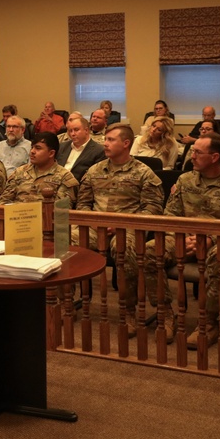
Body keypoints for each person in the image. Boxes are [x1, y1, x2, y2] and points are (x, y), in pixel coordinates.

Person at [144, 133, 220, 348]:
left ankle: (209, 323)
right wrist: (183, 239)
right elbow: (170, 215)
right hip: (183, 239)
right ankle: (165, 315)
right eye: (192, 150)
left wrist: (212, 240)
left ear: (214, 157)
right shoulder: (184, 181)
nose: (191, 156)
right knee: (150, 250)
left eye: (197, 152)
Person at [76, 123, 163, 336]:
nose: (105, 143)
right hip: (95, 228)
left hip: (127, 229)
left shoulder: (144, 173)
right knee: (62, 240)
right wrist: (92, 222)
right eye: (105, 139)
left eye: (111, 140)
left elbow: (152, 209)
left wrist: (122, 225)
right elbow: (82, 204)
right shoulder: (95, 170)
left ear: (126, 144)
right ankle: (64, 301)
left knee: (126, 249)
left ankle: (128, 312)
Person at [0, 132, 78, 205]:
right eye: (32, 147)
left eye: (38, 148)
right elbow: (4, 201)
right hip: (16, 216)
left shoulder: (65, 177)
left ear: (51, 153)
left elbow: (60, 212)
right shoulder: (20, 171)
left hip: (46, 218)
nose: (32, 151)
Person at [56, 114, 106, 182]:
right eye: (71, 131)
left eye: (76, 130)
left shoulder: (98, 151)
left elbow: (95, 178)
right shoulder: (62, 147)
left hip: (79, 187)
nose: (73, 134)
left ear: (86, 130)